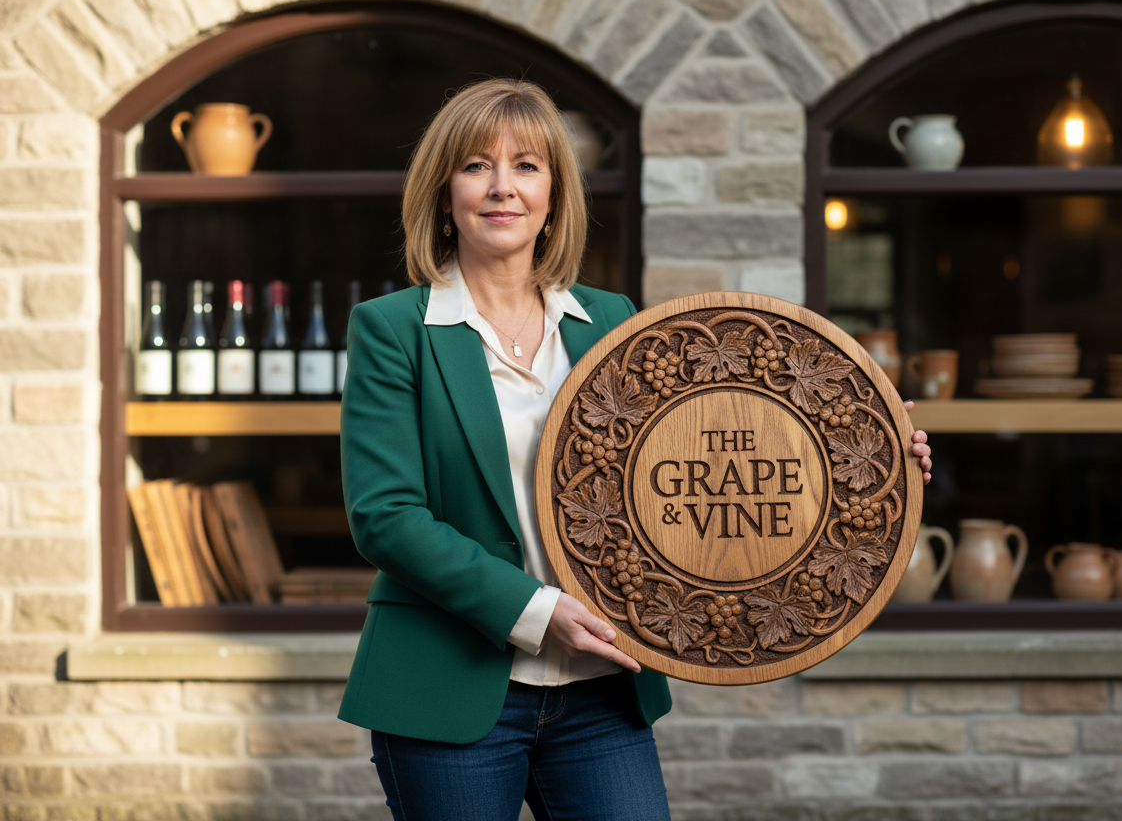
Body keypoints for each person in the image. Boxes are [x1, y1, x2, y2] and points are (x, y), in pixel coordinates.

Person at [337, 78, 934, 821]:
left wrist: (871, 454)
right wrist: (537, 609)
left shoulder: (611, 321)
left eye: (527, 166)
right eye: (476, 166)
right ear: (442, 191)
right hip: (446, 685)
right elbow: (387, 516)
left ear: (554, 194)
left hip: (600, 692)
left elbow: (711, 458)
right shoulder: (393, 329)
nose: (502, 187)